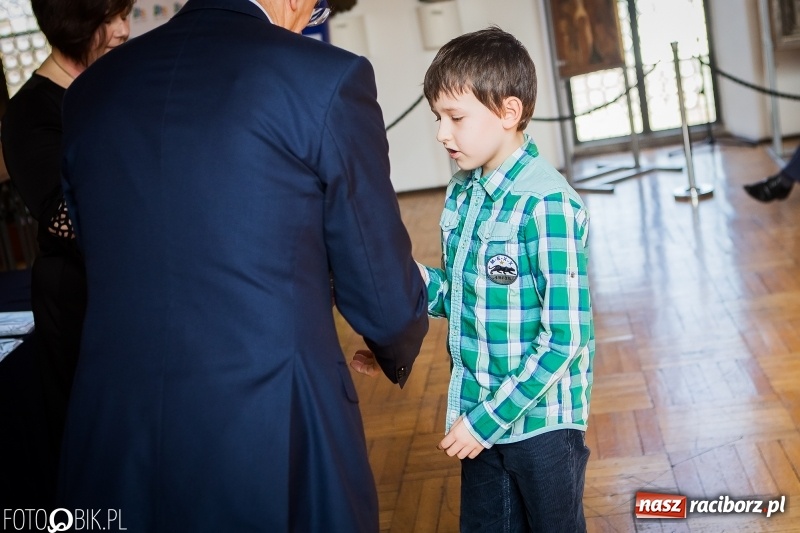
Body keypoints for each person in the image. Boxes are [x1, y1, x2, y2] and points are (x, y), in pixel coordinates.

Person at [57, 0, 428, 530]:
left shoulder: (90, 93)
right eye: (316, 10)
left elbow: (94, 247)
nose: (308, 21)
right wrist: (395, 339)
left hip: (114, 428)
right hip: (274, 425)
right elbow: (381, 289)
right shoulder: (324, 78)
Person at [356, 27, 595, 532]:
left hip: (540, 425)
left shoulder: (547, 205)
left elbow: (565, 340)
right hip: (479, 412)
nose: (443, 134)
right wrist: (389, 306)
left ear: (509, 113)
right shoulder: (464, 191)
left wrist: (483, 423)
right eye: (437, 118)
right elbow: (460, 292)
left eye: (456, 118)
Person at [0, 0, 133, 507]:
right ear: (72, 22)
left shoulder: (116, 81)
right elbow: (70, 219)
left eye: (125, 13)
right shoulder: (31, 114)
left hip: (135, 297)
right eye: (108, 19)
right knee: (104, 461)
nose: (122, 30)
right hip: (81, 307)